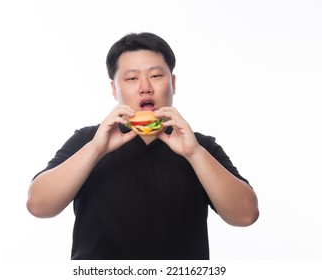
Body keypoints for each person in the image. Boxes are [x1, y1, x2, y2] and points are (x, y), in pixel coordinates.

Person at [26, 32, 259, 260]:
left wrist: (195, 154)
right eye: (131, 78)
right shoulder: (89, 140)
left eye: (156, 76)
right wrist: (96, 149)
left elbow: (246, 215)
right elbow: (39, 206)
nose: (145, 87)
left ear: (173, 83)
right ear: (114, 89)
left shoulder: (201, 146)